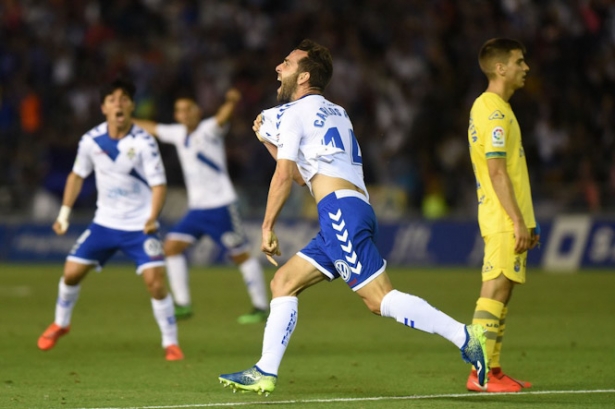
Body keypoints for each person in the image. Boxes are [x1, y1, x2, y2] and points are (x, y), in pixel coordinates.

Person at [218, 39, 488, 396]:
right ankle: (265, 370)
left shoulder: (293, 114)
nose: (278, 68)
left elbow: (285, 177)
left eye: (286, 62)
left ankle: (464, 336)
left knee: (379, 300)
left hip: (339, 213)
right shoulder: (337, 113)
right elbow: (303, 175)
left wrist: (267, 226)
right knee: (283, 282)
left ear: (305, 77)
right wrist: (270, 142)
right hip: (350, 208)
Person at [37, 77, 183, 361]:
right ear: (103, 107)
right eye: (112, 99)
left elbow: (159, 185)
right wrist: (64, 214)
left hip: (140, 226)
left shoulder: (144, 142)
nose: (118, 102)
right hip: (104, 223)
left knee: (155, 282)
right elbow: (77, 175)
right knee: (70, 273)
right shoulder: (91, 141)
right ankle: (61, 324)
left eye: (124, 98)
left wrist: (152, 217)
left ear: (131, 106)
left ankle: (171, 343)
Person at [132, 89, 269, 323]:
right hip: (197, 209)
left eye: (188, 109)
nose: (183, 114)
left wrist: (232, 101)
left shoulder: (208, 130)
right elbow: (153, 128)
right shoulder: (177, 133)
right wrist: (125, 119)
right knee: (172, 247)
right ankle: (183, 305)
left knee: (240, 255)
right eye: (179, 111)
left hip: (221, 206)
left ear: (198, 112)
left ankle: (261, 306)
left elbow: (222, 117)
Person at [466, 38, 539, 392]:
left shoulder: (500, 109)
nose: (525, 68)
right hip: (500, 218)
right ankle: (479, 373)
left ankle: (492, 370)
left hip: (506, 217)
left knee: (503, 290)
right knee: (494, 288)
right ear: (500, 68)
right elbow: (497, 171)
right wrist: (515, 220)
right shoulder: (492, 109)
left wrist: (527, 219)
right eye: (519, 61)